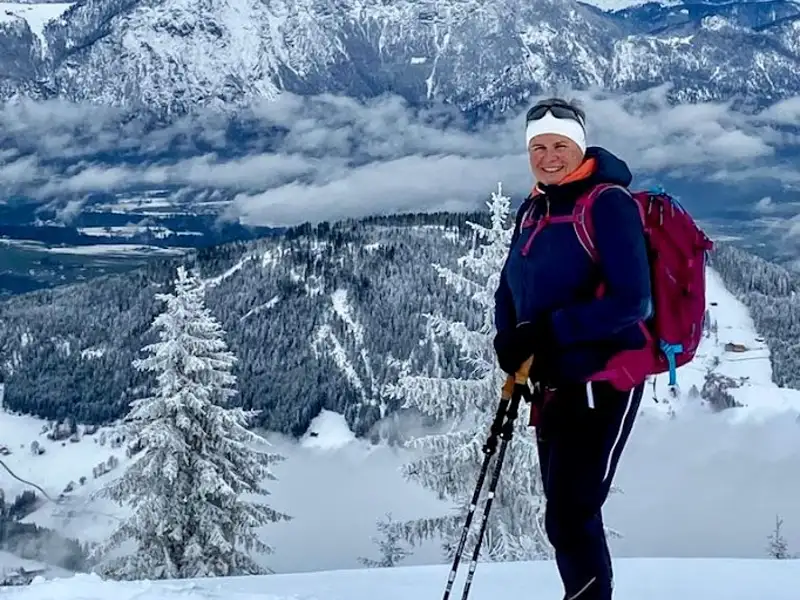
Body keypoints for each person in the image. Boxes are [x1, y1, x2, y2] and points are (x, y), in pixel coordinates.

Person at [492, 97, 652, 600]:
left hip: (603, 381)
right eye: (538, 146)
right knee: (562, 511)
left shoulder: (608, 204)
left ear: (580, 145)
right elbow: (511, 282)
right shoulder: (536, 205)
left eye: (560, 145)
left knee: (571, 512)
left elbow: (634, 301)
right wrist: (509, 338)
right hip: (554, 382)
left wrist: (548, 332)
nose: (549, 155)